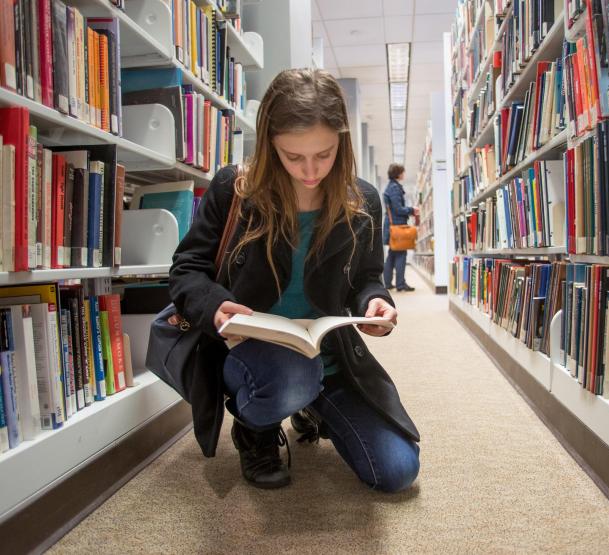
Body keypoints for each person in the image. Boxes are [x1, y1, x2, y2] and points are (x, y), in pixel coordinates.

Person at [168, 69, 420, 492]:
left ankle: (311, 405)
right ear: (270, 145)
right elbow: (187, 268)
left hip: (329, 355)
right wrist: (214, 305)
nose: (310, 170)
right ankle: (256, 428)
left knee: (397, 471)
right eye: (293, 156)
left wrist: (374, 302)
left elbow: (366, 278)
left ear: (341, 141)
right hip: (251, 354)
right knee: (293, 376)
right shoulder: (236, 190)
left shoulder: (362, 201)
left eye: (324, 154)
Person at [382, 164, 417, 292]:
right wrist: (412, 210)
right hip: (397, 226)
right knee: (401, 254)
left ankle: (387, 283)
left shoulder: (390, 187)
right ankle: (400, 284)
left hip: (392, 226)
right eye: (403, 171)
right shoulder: (395, 188)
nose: (404, 174)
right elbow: (398, 209)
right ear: (398, 173)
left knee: (392, 254)